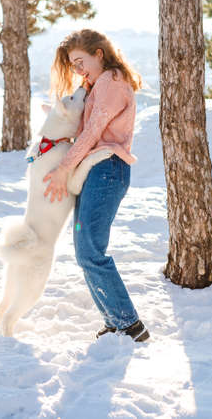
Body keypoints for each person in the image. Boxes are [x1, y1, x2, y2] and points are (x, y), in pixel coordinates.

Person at [43, 29, 149, 342]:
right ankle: (115, 322)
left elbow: (92, 134)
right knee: (84, 251)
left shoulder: (112, 82)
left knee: (91, 251)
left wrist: (64, 169)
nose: (77, 70)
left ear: (98, 53)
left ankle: (130, 325)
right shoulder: (96, 85)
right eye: (72, 65)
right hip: (94, 169)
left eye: (80, 61)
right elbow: (82, 128)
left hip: (107, 168)